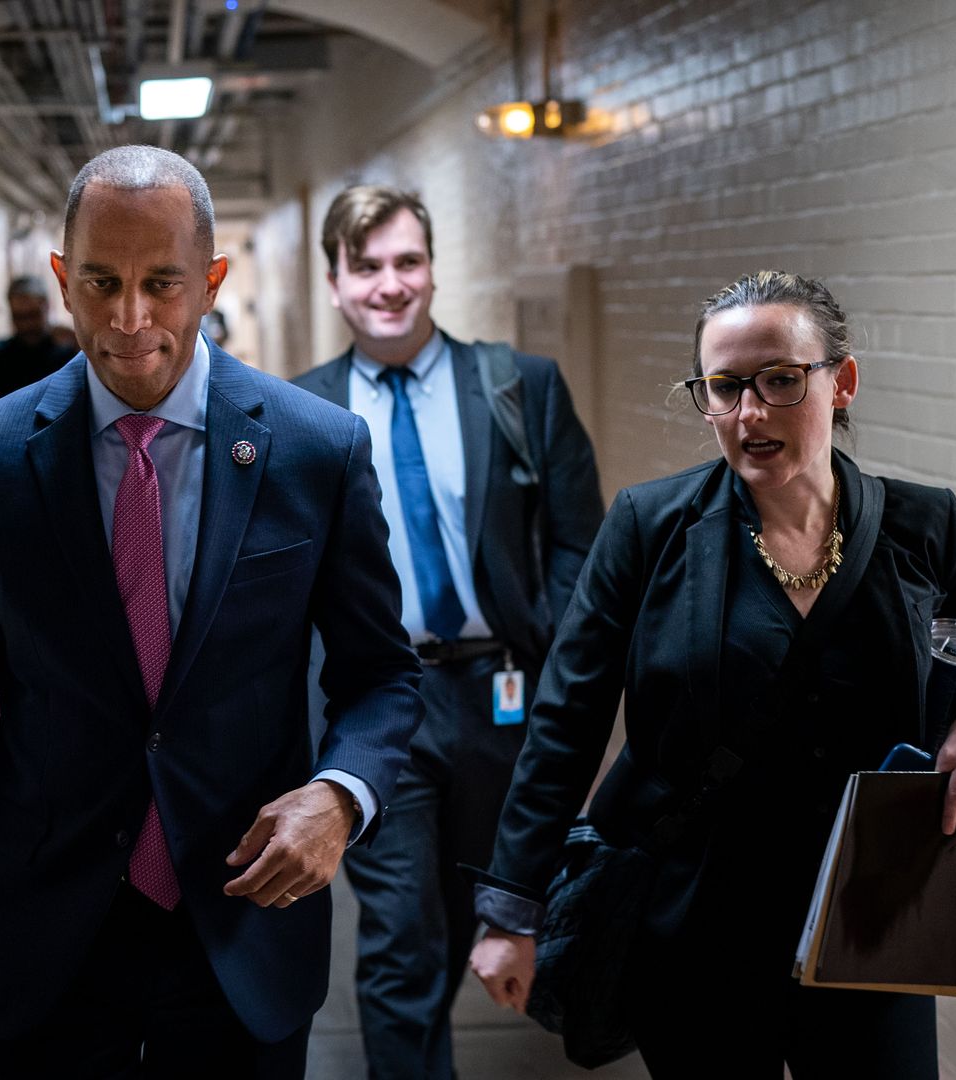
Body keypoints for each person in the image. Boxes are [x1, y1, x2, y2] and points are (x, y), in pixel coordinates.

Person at [0, 145, 424, 1079]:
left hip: (242, 918)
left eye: (162, 284)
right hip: (45, 929)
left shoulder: (314, 449)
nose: (129, 320)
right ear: (63, 279)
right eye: (101, 282)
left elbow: (381, 675)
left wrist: (342, 795)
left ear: (211, 281)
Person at [467, 270, 956, 1078]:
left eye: (780, 380)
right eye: (724, 387)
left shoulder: (922, 526)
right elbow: (565, 723)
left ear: (842, 383)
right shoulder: (650, 529)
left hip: (871, 915)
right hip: (696, 920)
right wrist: (512, 910)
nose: (749, 413)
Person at [292, 184, 603, 1080]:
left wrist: (555, 666)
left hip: (503, 699)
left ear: (432, 269)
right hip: (376, 705)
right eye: (369, 267)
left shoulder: (518, 387)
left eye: (408, 262)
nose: (391, 285)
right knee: (398, 941)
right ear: (335, 280)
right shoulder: (302, 410)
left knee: (496, 907)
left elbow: (582, 540)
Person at [0, 273, 75, 399]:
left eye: (33, 315)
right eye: (19, 318)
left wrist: (77, 340)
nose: (27, 325)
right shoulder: (0, 354)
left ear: (47, 307)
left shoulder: (66, 350)